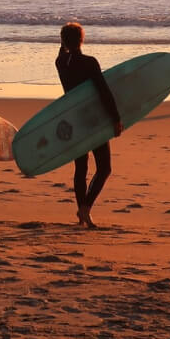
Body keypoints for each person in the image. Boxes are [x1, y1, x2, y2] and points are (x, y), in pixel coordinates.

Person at [56, 22, 123, 229]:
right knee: (104, 168)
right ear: (82, 39)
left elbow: (63, 53)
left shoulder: (60, 62)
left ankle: (81, 214)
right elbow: (103, 91)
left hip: (74, 120)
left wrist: (63, 44)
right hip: (93, 120)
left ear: (63, 40)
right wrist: (115, 118)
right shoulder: (89, 62)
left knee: (81, 168)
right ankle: (85, 208)